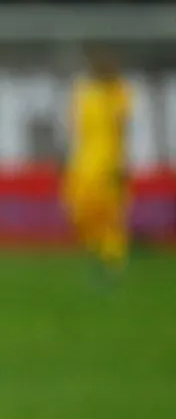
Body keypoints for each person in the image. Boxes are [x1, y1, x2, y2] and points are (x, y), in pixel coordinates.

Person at [62, 45, 132, 278]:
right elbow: (73, 128)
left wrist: (123, 161)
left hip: (110, 161)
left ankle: (112, 263)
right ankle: (99, 252)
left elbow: (123, 129)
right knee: (78, 208)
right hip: (83, 162)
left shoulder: (119, 93)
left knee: (111, 214)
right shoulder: (83, 92)